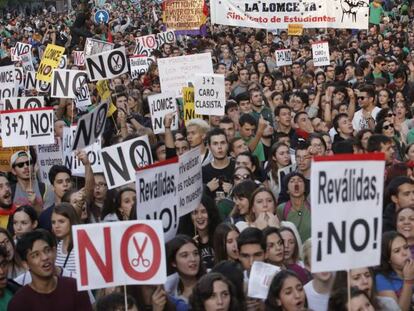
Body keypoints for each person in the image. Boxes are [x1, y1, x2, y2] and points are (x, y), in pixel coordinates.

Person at [8, 229, 92, 310]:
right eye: (36, 255)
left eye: (47, 250)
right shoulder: (19, 302)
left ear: (54, 252)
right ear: (25, 264)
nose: (45, 257)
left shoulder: (75, 288)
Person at [375, 231, 414, 311]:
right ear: (388, 259)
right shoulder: (381, 279)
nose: (404, 253)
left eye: (406, 247)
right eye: (397, 251)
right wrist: (408, 280)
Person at [166, 235, 205, 308]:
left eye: (196, 253)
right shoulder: (169, 292)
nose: (193, 259)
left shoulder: (212, 281)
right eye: (185, 255)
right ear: (173, 262)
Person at [302, 239, 334, 311]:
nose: (323, 265)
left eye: (327, 258)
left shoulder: (344, 286)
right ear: (308, 266)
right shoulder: (303, 294)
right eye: (317, 260)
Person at [51, 203, 80, 273]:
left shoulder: (81, 246)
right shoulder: (57, 247)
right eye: (53, 222)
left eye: (61, 221)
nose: (56, 226)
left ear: (71, 221)